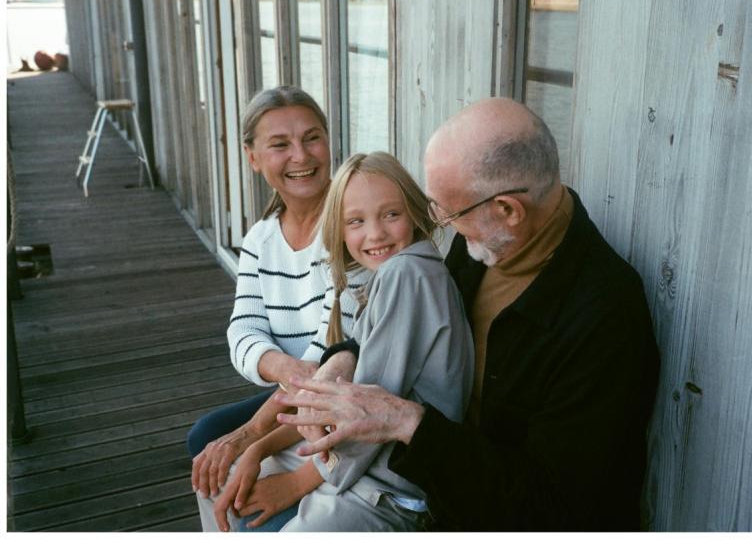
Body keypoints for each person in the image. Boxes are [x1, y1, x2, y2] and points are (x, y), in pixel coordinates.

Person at [276, 97, 661, 531]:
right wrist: (343, 356)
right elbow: (412, 331)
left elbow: (554, 507)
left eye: (448, 210)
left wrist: (409, 424)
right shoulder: (484, 243)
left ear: (508, 210)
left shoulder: (604, 317)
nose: (438, 222)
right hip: (415, 477)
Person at [198, 151, 474, 531]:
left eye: (391, 214)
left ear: (414, 212)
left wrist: (292, 485)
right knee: (222, 478)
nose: (375, 233)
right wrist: (258, 447)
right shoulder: (383, 277)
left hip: (387, 488)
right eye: (356, 221)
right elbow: (333, 398)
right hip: (352, 464)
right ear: (340, 232)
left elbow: (365, 418)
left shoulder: (408, 275)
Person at [187, 86, 364, 529]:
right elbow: (243, 332)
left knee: (229, 449)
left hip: (346, 395)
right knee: (206, 437)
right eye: (280, 145)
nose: (301, 156)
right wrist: (283, 368)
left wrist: (251, 436)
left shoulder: (355, 230)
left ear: (329, 142)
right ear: (253, 157)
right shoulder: (261, 239)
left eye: (312, 137)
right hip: (297, 395)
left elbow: (326, 360)